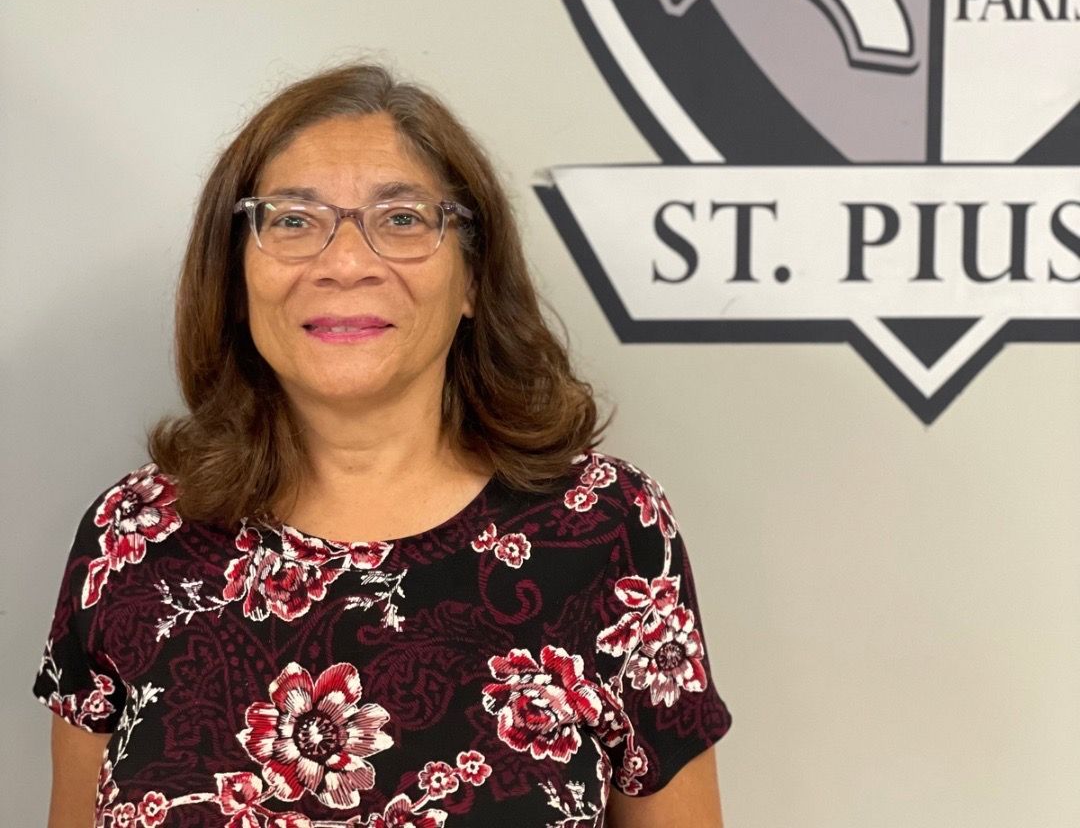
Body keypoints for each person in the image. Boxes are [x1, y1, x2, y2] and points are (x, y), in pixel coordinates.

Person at [34, 63, 732, 827]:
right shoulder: (132, 539)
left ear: (472, 279)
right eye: (292, 220)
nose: (343, 262)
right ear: (234, 280)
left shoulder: (603, 530)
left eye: (401, 219)